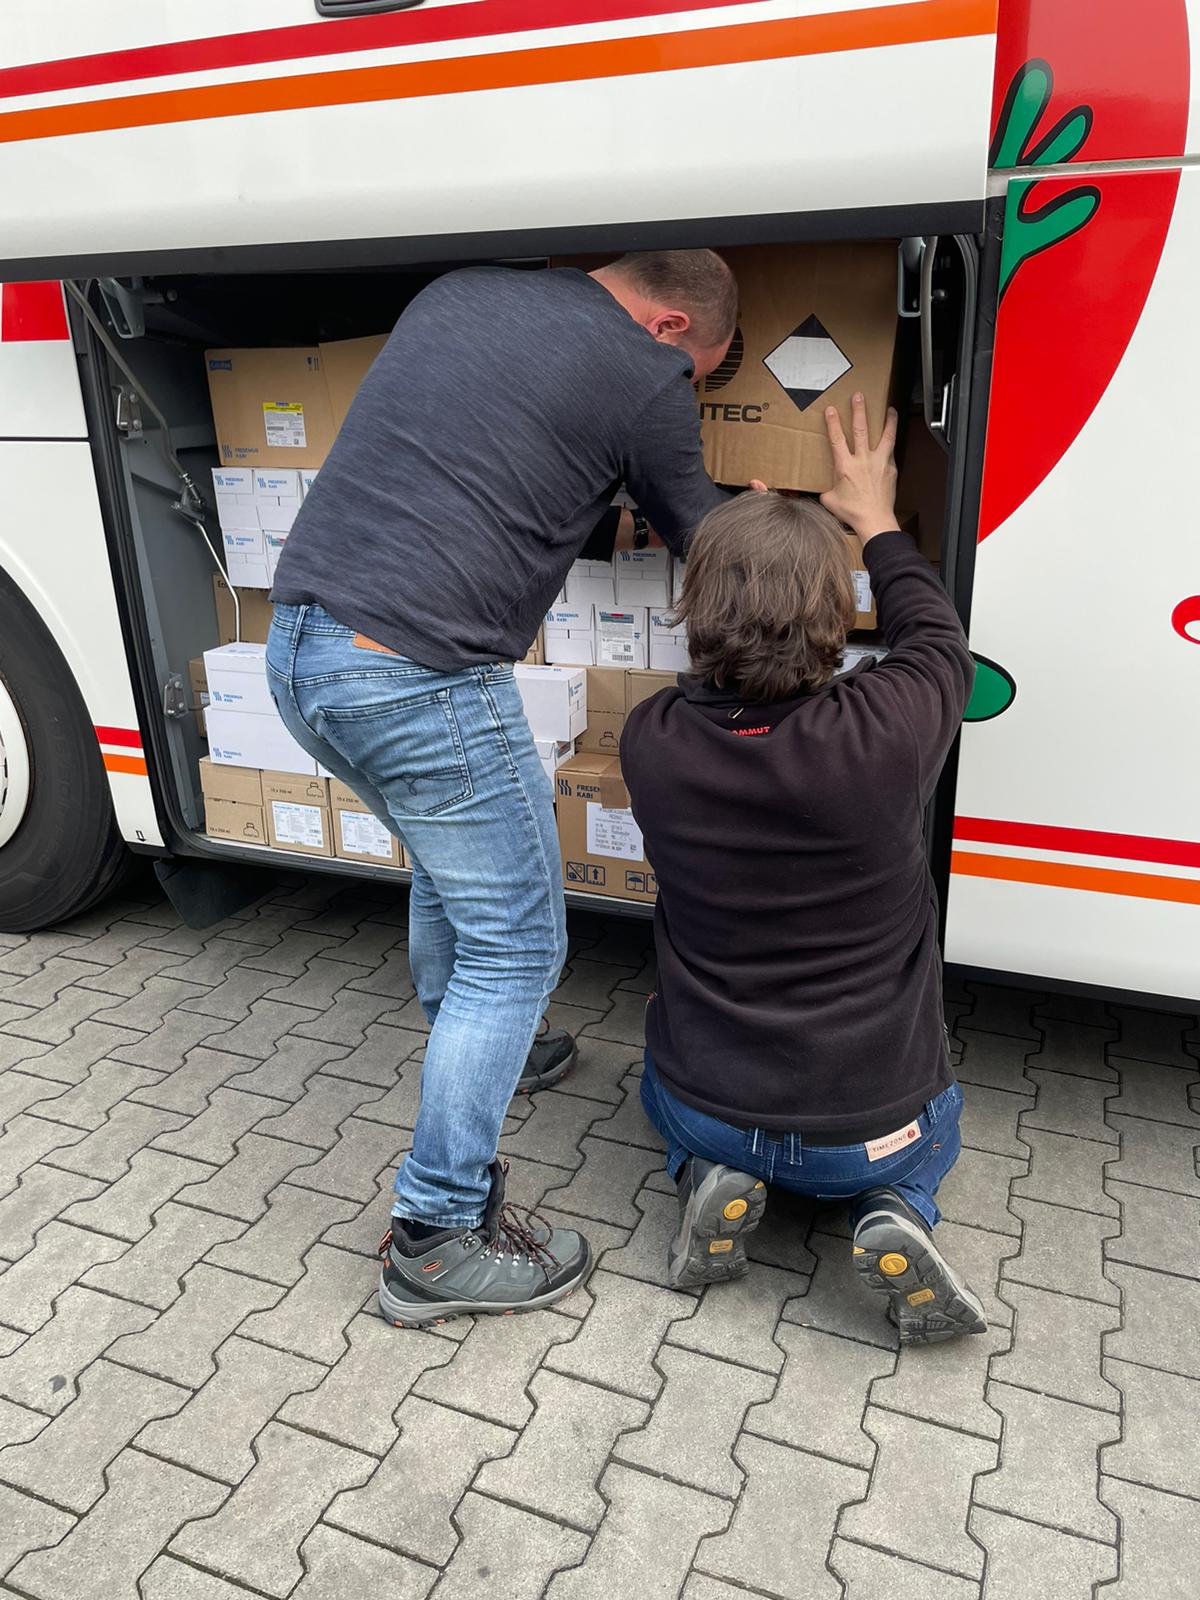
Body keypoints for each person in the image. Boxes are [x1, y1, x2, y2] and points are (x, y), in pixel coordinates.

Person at [265, 250, 738, 1326]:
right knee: (519, 947)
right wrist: (776, 521)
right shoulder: (644, 374)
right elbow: (710, 542)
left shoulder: (463, 292)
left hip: (301, 653)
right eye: (701, 374)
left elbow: (504, 468)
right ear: (670, 327)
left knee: (456, 873)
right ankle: (436, 1238)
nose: (689, 391)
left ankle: (484, 1057)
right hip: (417, 675)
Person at [620, 396, 988, 1345]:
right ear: (839, 613)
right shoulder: (887, 730)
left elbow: (726, 665)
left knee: (651, 1073)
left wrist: (747, 541)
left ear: (694, 606)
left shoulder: (652, 740)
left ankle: (709, 1177)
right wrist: (872, 520)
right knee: (934, 1128)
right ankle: (897, 1207)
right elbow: (936, 636)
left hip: (711, 1109)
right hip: (873, 1131)